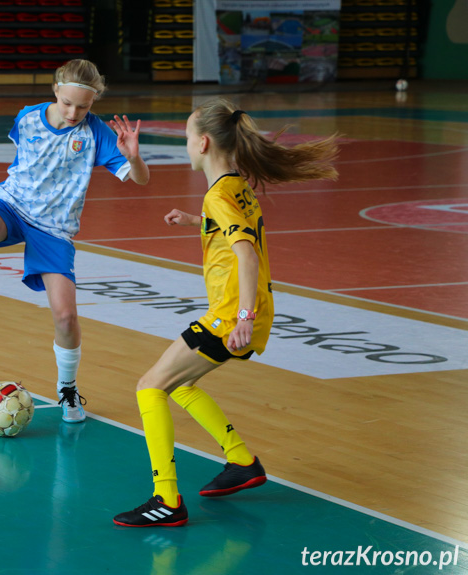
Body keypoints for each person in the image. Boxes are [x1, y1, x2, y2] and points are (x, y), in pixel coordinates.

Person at [113, 98, 339, 527]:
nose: (184, 147)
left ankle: (166, 499)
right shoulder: (235, 186)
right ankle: (241, 462)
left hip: (232, 315)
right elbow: (235, 226)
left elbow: (246, 253)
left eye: (184, 139)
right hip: (241, 311)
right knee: (179, 386)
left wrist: (244, 318)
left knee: (149, 387)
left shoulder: (219, 195)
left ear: (202, 143)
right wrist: (194, 220)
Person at [0, 59, 150, 423]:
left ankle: (67, 390)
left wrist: (134, 158)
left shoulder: (97, 134)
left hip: (54, 228)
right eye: (68, 103)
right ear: (56, 91)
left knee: (65, 316)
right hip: (11, 204)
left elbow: (141, 180)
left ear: (94, 103)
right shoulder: (27, 117)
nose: (75, 112)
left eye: (84, 106)